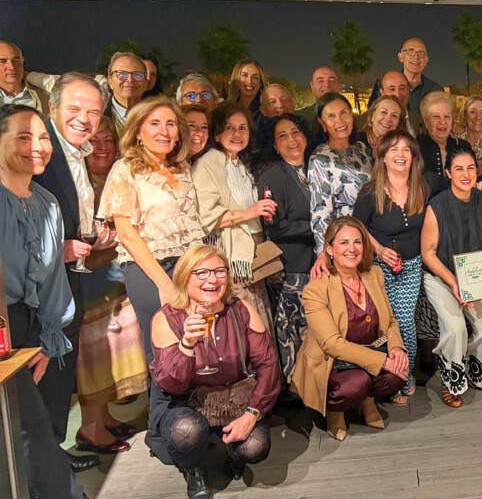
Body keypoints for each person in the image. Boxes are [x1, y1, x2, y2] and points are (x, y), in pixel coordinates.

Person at [0, 105, 89, 498]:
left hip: (27, 328)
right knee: (26, 434)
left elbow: (53, 280)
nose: (37, 147)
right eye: (22, 136)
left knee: (29, 432)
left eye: (43, 138)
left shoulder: (48, 203)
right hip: (1, 327)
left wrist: (48, 342)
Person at [148, 245, 281, 498]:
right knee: (187, 431)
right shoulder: (168, 319)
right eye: (202, 272)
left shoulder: (241, 310)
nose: (212, 279)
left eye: (220, 271)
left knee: (256, 446)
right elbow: (170, 385)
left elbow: (269, 365)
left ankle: (234, 455)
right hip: (185, 402)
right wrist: (186, 345)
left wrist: (252, 414)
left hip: (235, 398)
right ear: (184, 276)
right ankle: (195, 469)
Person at [30, 74, 113, 467]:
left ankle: (52, 455)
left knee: (62, 367)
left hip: (69, 275)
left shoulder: (75, 151)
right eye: (75, 109)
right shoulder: (37, 153)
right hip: (38, 286)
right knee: (47, 369)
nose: (85, 119)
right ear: (52, 109)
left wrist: (91, 232)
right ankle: (41, 462)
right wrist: (56, 248)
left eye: (93, 112)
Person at [98, 97, 208, 364]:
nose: (164, 131)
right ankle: (163, 407)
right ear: (137, 131)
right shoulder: (125, 170)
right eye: (155, 123)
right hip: (150, 269)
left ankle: (192, 405)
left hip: (188, 265)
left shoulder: (181, 168)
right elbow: (127, 235)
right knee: (164, 347)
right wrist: (165, 284)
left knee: (196, 344)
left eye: (171, 124)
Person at [292, 217, 408, 440]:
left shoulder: (374, 274)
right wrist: (384, 362)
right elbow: (332, 344)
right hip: (333, 362)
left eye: (357, 242)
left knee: (399, 372)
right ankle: (336, 413)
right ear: (330, 249)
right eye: (344, 243)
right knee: (357, 383)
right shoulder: (316, 289)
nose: (352, 249)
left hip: (371, 352)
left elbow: (390, 320)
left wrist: (396, 349)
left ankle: (368, 401)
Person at [76, 114, 148, 455]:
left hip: (115, 275)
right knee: (93, 353)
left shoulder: (116, 176)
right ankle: (90, 429)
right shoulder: (79, 179)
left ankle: (102, 418)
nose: (102, 148)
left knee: (111, 353)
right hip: (89, 277)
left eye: (109, 141)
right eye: (95, 141)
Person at [353, 130, 438, 404]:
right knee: (379, 324)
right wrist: (378, 249)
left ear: (414, 157)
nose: (400, 155)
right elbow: (357, 227)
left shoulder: (425, 186)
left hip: (411, 266)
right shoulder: (370, 191)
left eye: (406, 150)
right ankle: (382, 374)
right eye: (393, 150)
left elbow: (462, 182)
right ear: (383, 157)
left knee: (402, 322)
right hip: (377, 269)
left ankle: (404, 376)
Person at [420, 143, 482, 407]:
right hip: (441, 276)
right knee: (455, 329)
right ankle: (451, 378)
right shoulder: (437, 206)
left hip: (474, 277)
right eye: (459, 168)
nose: (466, 174)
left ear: (478, 172)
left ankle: (470, 366)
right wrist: (453, 283)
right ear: (449, 173)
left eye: (471, 168)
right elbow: (428, 253)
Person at [192, 103, 278, 334]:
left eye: (243, 128)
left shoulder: (238, 163)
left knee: (258, 322)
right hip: (230, 260)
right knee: (241, 325)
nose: (237, 134)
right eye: (230, 127)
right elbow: (207, 218)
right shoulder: (208, 163)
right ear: (217, 133)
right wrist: (250, 212)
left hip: (252, 256)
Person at [256, 114, 315, 386]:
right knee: (291, 330)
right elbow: (276, 227)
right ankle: (295, 387)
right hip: (291, 268)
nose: (291, 140)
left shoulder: (318, 168)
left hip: (323, 264)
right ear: (275, 145)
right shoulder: (271, 177)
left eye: (295, 132)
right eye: (283, 135)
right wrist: (319, 226)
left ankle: (320, 382)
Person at [308, 92, 373, 254]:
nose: (340, 121)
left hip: (373, 239)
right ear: (322, 123)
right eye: (331, 116)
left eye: (344, 113)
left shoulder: (362, 149)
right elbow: (320, 214)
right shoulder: (320, 160)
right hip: (346, 246)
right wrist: (325, 253)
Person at [417, 91, 472, 185]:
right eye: (436, 117)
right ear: (426, 122)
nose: (442, 122)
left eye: (447, 116)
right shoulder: (417, 148)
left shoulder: (463, 146)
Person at [0, 40, 50, 113]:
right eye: (2, 61)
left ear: (22, 61)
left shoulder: (45, 95)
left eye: (16, 60)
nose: (12, 67)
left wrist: (31, 76)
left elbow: (66, 86)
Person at [105, 52, 148, 135]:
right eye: (121, 74)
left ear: (146, 83)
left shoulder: (155, 114)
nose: (130, 79)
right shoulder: (98, 115)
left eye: (137, 74)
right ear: (110, 81)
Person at [296, 66, 342, 133]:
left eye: (332, 80)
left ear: (339, 86)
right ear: (312, 86)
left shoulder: (352, 119)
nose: (326, 84)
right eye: (320, 81)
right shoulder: (299, 119)